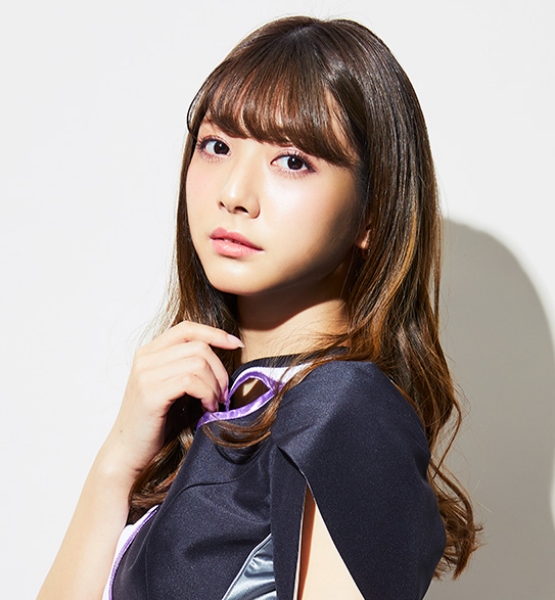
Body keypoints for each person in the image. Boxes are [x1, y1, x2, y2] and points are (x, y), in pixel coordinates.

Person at [38, 15, 479, 600]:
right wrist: (116, 462)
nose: (234, 194)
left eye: (292, 160)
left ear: (372, 214)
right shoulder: (215, 410)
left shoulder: (342, 408)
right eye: (216, 146)